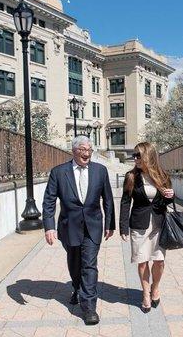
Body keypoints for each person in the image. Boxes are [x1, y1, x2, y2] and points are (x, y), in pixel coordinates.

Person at [42, 135, 115, 325]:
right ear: (74, 151)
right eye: (83, 149)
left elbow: (107, 199)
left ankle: (89, 307)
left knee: (89, 264)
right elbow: (49, 201)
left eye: (90, 150)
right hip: (69, 227)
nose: (87, 153)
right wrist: (49, 227)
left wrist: (110, 224)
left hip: (93, 226)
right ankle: (77, 287)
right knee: (75, 263)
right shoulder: (59, 172)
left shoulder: (100, 171)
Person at [119, 142, 174, 313]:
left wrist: (171, 196)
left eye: (138, 155)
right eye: (134, 155)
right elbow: (125, 203)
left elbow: (166, 200)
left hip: (158, 224)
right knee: (142, 262)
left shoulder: (162, 176)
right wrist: (123, 227)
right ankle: (145, 293)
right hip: (139, 226)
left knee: (159, 261)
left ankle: (155, 288)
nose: (135, 158)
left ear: (148, 156)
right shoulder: (131, 176)